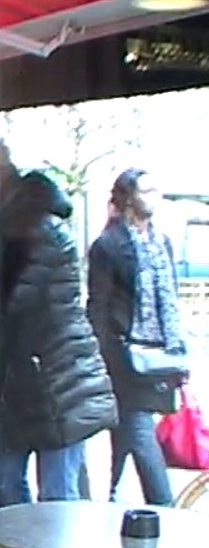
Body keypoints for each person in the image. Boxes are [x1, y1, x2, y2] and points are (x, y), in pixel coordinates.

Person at [0, 142, 116, 548]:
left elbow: (10, 304)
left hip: (57, 382)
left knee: (58, 495)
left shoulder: (37, 233)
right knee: (6, 477)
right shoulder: (13, 230)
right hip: (31, 382)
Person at [88, 168, 185, 506]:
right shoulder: (108, 245)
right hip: (124, 357)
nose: (153, 196)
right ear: (128, 197)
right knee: (139, 429)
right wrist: (100, 357)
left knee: (126, 431)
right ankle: (165, 505)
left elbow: (170, 300)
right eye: (147, 190)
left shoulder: (162, 243)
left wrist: (178, 354)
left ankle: (110, 497)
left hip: (159, 355)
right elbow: (97, 305)